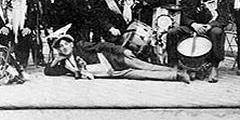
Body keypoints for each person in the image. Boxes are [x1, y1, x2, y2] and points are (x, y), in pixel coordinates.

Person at [44, 31, 189, 83]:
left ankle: (179, 70)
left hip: (114, 60)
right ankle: (177, 75)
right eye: (61, 46)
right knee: (144, 75)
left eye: (66, 44)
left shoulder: (80, 46)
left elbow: (103, 45)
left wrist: (122, 50)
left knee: (147, 66)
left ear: (71, 43)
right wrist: (56, 59)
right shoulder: (65, 64)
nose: (64, 47)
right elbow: (48, 72)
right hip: (113, 73)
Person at [166, 0, 229, 83]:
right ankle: (174, 65)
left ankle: (214, 67)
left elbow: (223, 19)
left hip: (210, 28)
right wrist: (193, 24)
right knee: (173, 32)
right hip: (193, 27)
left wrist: (209, 26)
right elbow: (184, 16)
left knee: (217, 32)